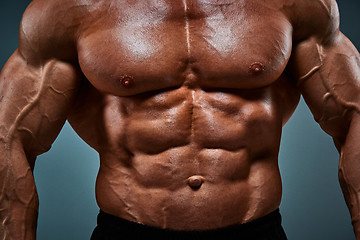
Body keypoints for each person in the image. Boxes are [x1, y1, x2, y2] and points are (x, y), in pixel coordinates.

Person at [0, 0, 359, 239]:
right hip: (128, 229)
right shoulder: (72, 9)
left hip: (255, 228)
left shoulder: (293, 5)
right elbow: (9, 138)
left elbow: (353, 118)